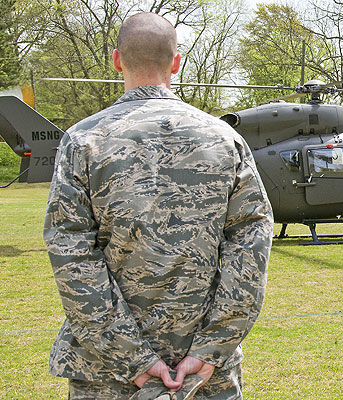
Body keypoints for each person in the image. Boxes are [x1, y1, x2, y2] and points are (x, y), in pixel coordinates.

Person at [43, 12, 273, 400]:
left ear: (117, 60)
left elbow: (72, 256)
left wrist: (131, 357)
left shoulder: (84, 140)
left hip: (106, 373)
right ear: (176, 63)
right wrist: (209, 349)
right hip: (203, 375)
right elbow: (250, 249)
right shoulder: (225, 139)